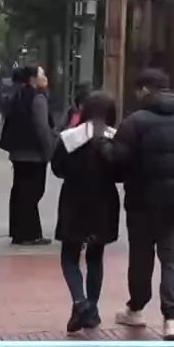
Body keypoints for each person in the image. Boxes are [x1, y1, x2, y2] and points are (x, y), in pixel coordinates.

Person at [111, 69, 174, 340]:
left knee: (141, 256)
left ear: (145, 90)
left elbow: (117, 162)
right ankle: (171, 320)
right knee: (173, 259)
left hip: (141, 203)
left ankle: (136, 308)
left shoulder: (134, 123)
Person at [53, 91, 121, 334]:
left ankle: (80, 302)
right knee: (95, 257)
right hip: (104, 202)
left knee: (69, 256)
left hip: (74, 200)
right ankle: (91, 308)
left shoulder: (70, 137)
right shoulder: (115, 138)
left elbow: (57, 168)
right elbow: (122, 171)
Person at [0, 65, 56, 245]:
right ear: (32, 79)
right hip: (34, 153)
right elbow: (42, 127)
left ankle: (20, 232)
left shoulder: (18, 95)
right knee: (33, 191)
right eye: (41, 74)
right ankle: (28, 234)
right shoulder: (38, 98)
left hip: (18, 153)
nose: (45, 77)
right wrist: (50, 150)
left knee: (20, 191)